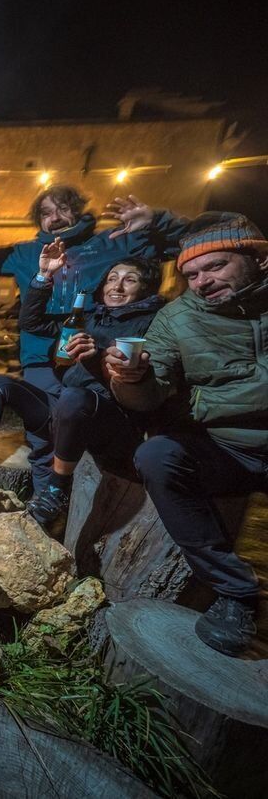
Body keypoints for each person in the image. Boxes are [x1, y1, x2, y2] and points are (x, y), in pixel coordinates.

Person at [103, 214, 268, 657]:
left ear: (256, 258)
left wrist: (204, 402)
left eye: (215, 267)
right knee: (158, 456)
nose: (202, 281)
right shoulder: (176, 319)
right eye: (191, 274)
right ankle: (235, 592)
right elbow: (153, 392)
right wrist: (129, 379)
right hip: (226, 448)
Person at [0, 188, 189, 494]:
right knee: (42, 441)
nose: (55, 218)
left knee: (88, 441)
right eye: (46, 213)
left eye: (62, 209)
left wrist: (156, 219)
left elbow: (185, 243)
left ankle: (87, 518)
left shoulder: (112, 242)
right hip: (41, 355)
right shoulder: (26, 253)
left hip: (92, 356)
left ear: (77, 211)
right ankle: (45, 511)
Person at [0, 252, 164, 528]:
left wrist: (96, 356)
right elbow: (32, 323)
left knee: (74, 398)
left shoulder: (151, 323)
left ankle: (55, 490)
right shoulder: (91, 314)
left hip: (109, 417)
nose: (117, 287)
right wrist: (42, 277)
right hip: (66, 408)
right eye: (112, 279)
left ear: (145, 288)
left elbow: (144, 383)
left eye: (129, 280)